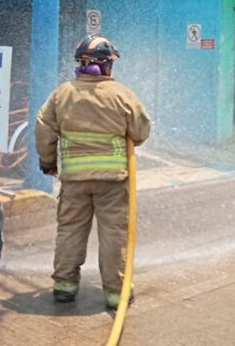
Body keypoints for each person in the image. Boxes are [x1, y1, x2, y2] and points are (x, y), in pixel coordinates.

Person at [35, 35, 151, 311]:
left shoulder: (62, 94)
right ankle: (115, 293)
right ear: (106, 66)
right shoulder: (122, 94)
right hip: (113, 182)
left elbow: (43, 129)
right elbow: (141, 132)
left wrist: (48, 162)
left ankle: (64, 285)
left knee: (70, 230)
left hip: (74, 180)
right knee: (113, 234)